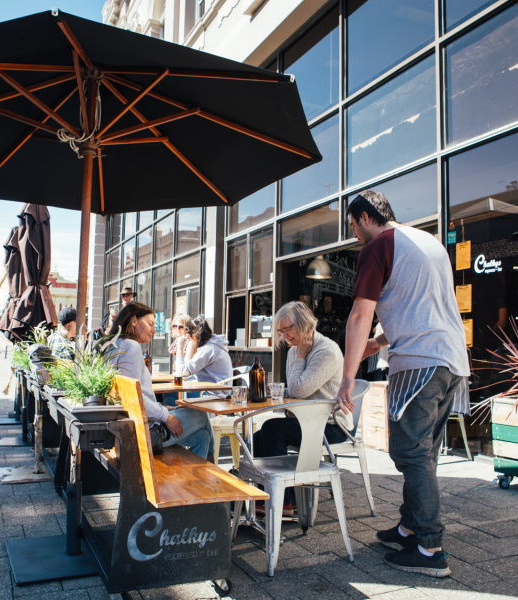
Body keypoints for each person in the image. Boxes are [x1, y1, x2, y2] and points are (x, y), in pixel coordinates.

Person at [335, 190, 469, 578]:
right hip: (451, 361)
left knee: (409, 453)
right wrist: (379, 343)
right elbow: (424, 306)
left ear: (363, 217)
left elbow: (361, 315)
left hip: (419, 364)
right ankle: (409, 527)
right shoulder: (427, 242)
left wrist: (347, 378)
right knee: (422, 454)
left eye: (352, 225)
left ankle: (429, 548)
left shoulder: (378, 246)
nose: (354, 234)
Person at [252, 301, 353, 513]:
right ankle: (272, 496)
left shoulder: (326, 351)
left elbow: (298, 390)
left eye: (288, 329)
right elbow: (296, 388)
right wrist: (278, 392)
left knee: (272, 430)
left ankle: (283, 502)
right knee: (258, 437)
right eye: (281, 331)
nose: (285, 336)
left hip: (331, 427)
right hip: (306, 421)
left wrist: (300, 357)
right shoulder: (295, 350)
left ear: (305, 323)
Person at [106, 301, 214, 460]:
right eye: (150, 324)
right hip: (145, 432)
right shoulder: (131, 346)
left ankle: (199, 481)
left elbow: (132, 396)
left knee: (202, 436)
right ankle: (215, 474)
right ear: (134, 321)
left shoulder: (114, 345)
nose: (153, 330)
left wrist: (161, 408)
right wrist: (166, 416)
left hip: (130, 427)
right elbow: (134, 399)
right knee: (201, 414)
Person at [174, 316, 232, 398]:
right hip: (218, 391)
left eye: (188, 336)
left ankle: (182, 410)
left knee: (169, 393)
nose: (187, 338)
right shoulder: (213, 346)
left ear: (194, 335)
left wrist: (180, 347)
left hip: (212, 394)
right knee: (170, 397)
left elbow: (181, 372)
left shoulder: (208, 350)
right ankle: (181, 409)